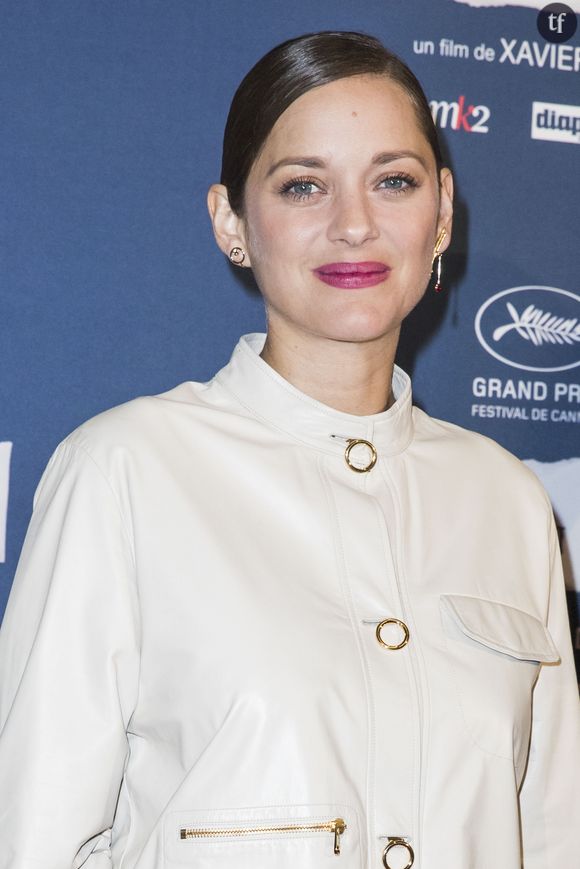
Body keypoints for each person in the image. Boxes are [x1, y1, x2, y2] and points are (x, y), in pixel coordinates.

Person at [0, 30, 578, 869]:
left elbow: (551, 832)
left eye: (394, 181)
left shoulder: (506, 500)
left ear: (443, 211)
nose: (354, 225)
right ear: (231, 219)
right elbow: (28, 836)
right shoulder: (125, 470)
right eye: (303, 185)